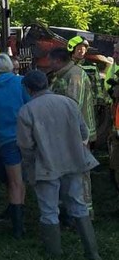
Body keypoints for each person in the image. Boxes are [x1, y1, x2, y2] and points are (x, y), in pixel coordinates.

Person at [16, 70, 100, 260]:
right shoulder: (69, 103)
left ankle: (54, 257)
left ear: (28, 89)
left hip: (45, 165)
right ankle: (92, 253)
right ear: (46, 83)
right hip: (73, 161)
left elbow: (25, 146)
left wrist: (30, 167)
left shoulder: (27, 111)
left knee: (49, 211)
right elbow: (84, 132)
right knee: (79, 205)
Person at [0, 53, 31, 237]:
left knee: (14, 181)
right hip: (25, 137)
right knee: (21, 180)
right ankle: (19, 222)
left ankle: (16, 223)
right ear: (11, 66)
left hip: (5, 139)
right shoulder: (21, 82)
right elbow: (30, 106)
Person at [48, 47, 96, 218]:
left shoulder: (74, 75)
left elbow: (72, 105)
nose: (49, 65)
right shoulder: (63, 75)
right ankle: (72, 210)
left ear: (59, 61)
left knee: (81, 173)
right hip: (69, 132)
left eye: (51, 62)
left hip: (78, 133)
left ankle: (85, 213)